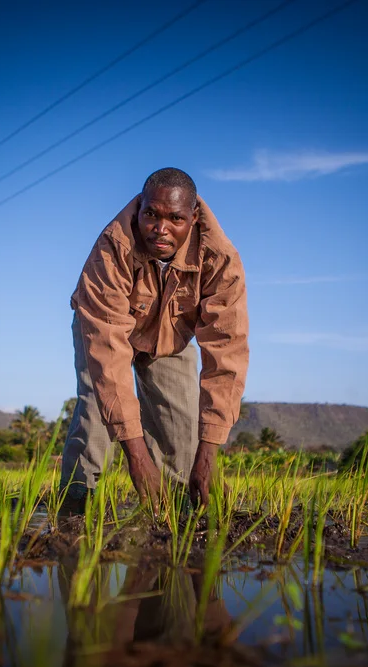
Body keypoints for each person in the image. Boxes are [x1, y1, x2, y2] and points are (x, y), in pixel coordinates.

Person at [60, 167, 249, 512]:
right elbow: (108, 356)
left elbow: (227, 352)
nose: (160, 229)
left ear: (192, 218)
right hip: (105, 330)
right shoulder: (112, 248)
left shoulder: (220, 260)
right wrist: (137, 458)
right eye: (151, 215)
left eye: (175, 218)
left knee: (183, 434)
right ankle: (75, 507)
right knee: (95, 411)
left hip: (169, 339)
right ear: (140, 208)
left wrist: (208, 455)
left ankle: (171, 515)